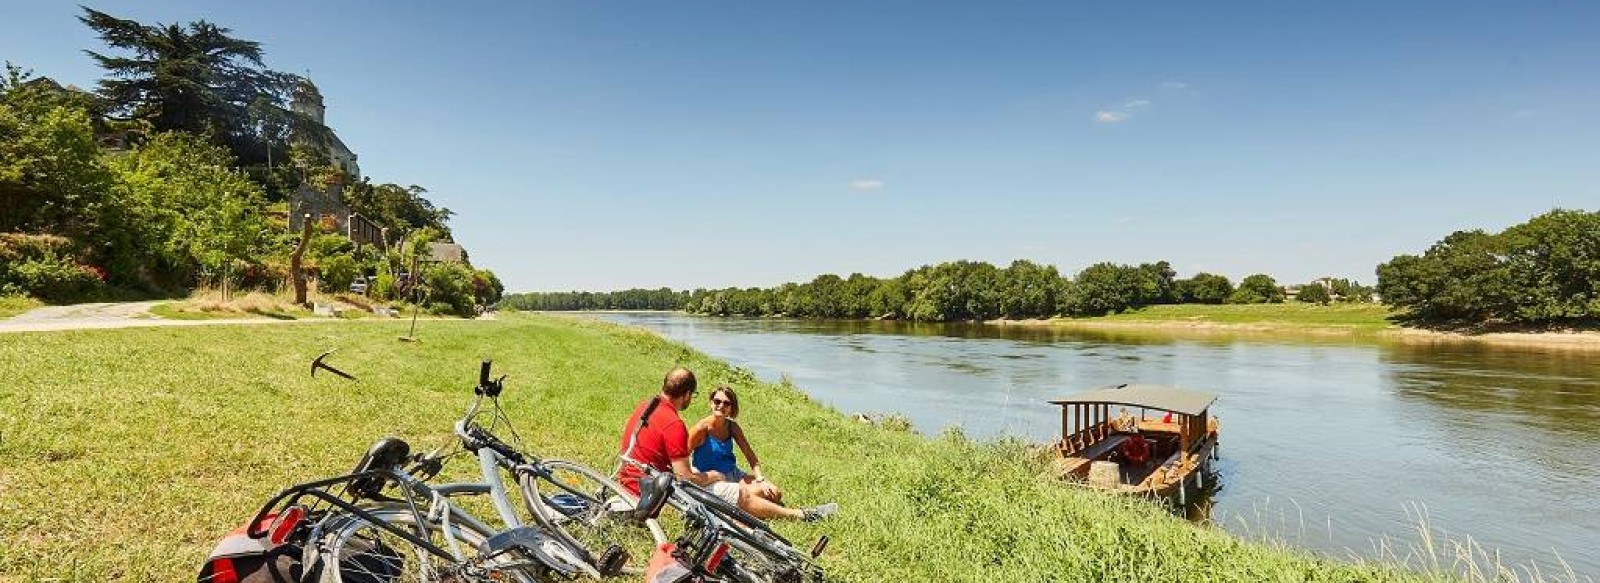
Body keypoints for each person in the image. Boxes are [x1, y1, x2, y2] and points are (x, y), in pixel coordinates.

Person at [617, 367, 835, 522]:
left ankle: (748, 508)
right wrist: (713, 475)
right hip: (651, 490)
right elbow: (685, 477)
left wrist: (756, 477)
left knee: (764, 493)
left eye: (726, 403)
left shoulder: (645, 407)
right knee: (742, 495)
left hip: (635, 480)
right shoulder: (674, 423)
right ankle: (801, 515)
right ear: (686, 394)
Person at [689, 385, 781, 503]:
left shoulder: (732, 427)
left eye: (726, 403)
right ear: (711, 403)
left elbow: (750, 455)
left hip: (732, 473)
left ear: (732, 408)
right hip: (712, 479)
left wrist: (760, 479)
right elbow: (680, 457)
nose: (721, 406)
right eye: (717, 401)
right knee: (757, 494)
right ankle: (749, 503)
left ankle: (749, 503)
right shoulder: (701, 429)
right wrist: (695, 476)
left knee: (775, 492)